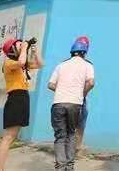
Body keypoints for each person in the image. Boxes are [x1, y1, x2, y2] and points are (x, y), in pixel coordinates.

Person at [47, 36, 96, 171]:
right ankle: (69, 166)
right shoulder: (87, 65)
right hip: (75, 104)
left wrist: (62, 89)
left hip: (58, 104)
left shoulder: (61, 65)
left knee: (60, 136)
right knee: (71, 134)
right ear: (84, 52)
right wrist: (82, 93)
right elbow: (91, 83)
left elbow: (50, 84)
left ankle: (60, 167)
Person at [0, 37, 42, 171]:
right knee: (8, 137)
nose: (22, 46)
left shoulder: (20, 65)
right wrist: (24, 47)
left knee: (11, 137)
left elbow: (39, 64)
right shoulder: (8, 62)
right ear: (12, 50)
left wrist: (34, 52)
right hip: (15, 99)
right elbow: (21, 61)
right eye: (19, 45)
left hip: (22, 98)